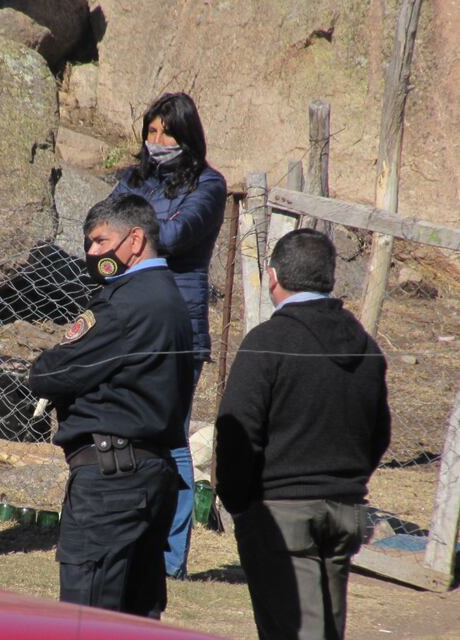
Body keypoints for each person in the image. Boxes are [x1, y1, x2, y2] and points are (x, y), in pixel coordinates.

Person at [215, 229, 391, 640]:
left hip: (282, 513)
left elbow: (237, 430)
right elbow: (379, 432)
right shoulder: (366, 347)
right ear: (329, 279)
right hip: (345, 509)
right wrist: (347, 483)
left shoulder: (268, 342)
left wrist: (240, 504)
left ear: (272, 277)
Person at [29, 193, 194, 618]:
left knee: (89, 617)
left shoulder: (125, 302)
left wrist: (49, 372)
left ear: (135, 240)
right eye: (89, 243)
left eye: (101, 241)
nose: (92, 252)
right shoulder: (170, 298)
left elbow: (52, 371)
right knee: (136, 619)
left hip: (113, 483)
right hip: (149, 474)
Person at [111, 92, 226, 578]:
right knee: (123, 429)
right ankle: (127, 538)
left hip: (178, 325)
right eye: (151, 132)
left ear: (187, 135)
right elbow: (100, 232)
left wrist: (128, 231)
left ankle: (170, 559)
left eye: (167, 133)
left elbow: (177, 238)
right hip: (127, 318)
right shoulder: (132, 178)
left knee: (170, 436)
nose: (157, 142)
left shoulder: (209, 184)